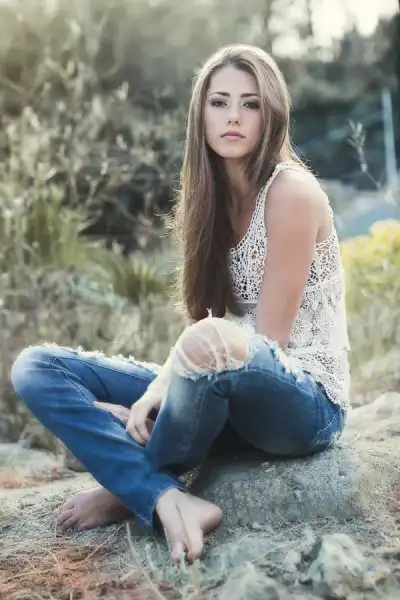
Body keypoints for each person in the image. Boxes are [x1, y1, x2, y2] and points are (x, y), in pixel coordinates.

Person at [10, 44, 350, 567]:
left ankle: (128, 484)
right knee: (35, 367)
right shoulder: (207, 199)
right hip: (215, 375)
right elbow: (204, 328)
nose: (233, 116)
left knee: (203, 350)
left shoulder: (292, 193)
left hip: (302, 398)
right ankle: (162, 494)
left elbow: (266, 342)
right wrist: (164, 388)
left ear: (273, 116)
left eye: (251, 104)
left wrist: (159, 394)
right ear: (201, 114)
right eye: (220, 102)